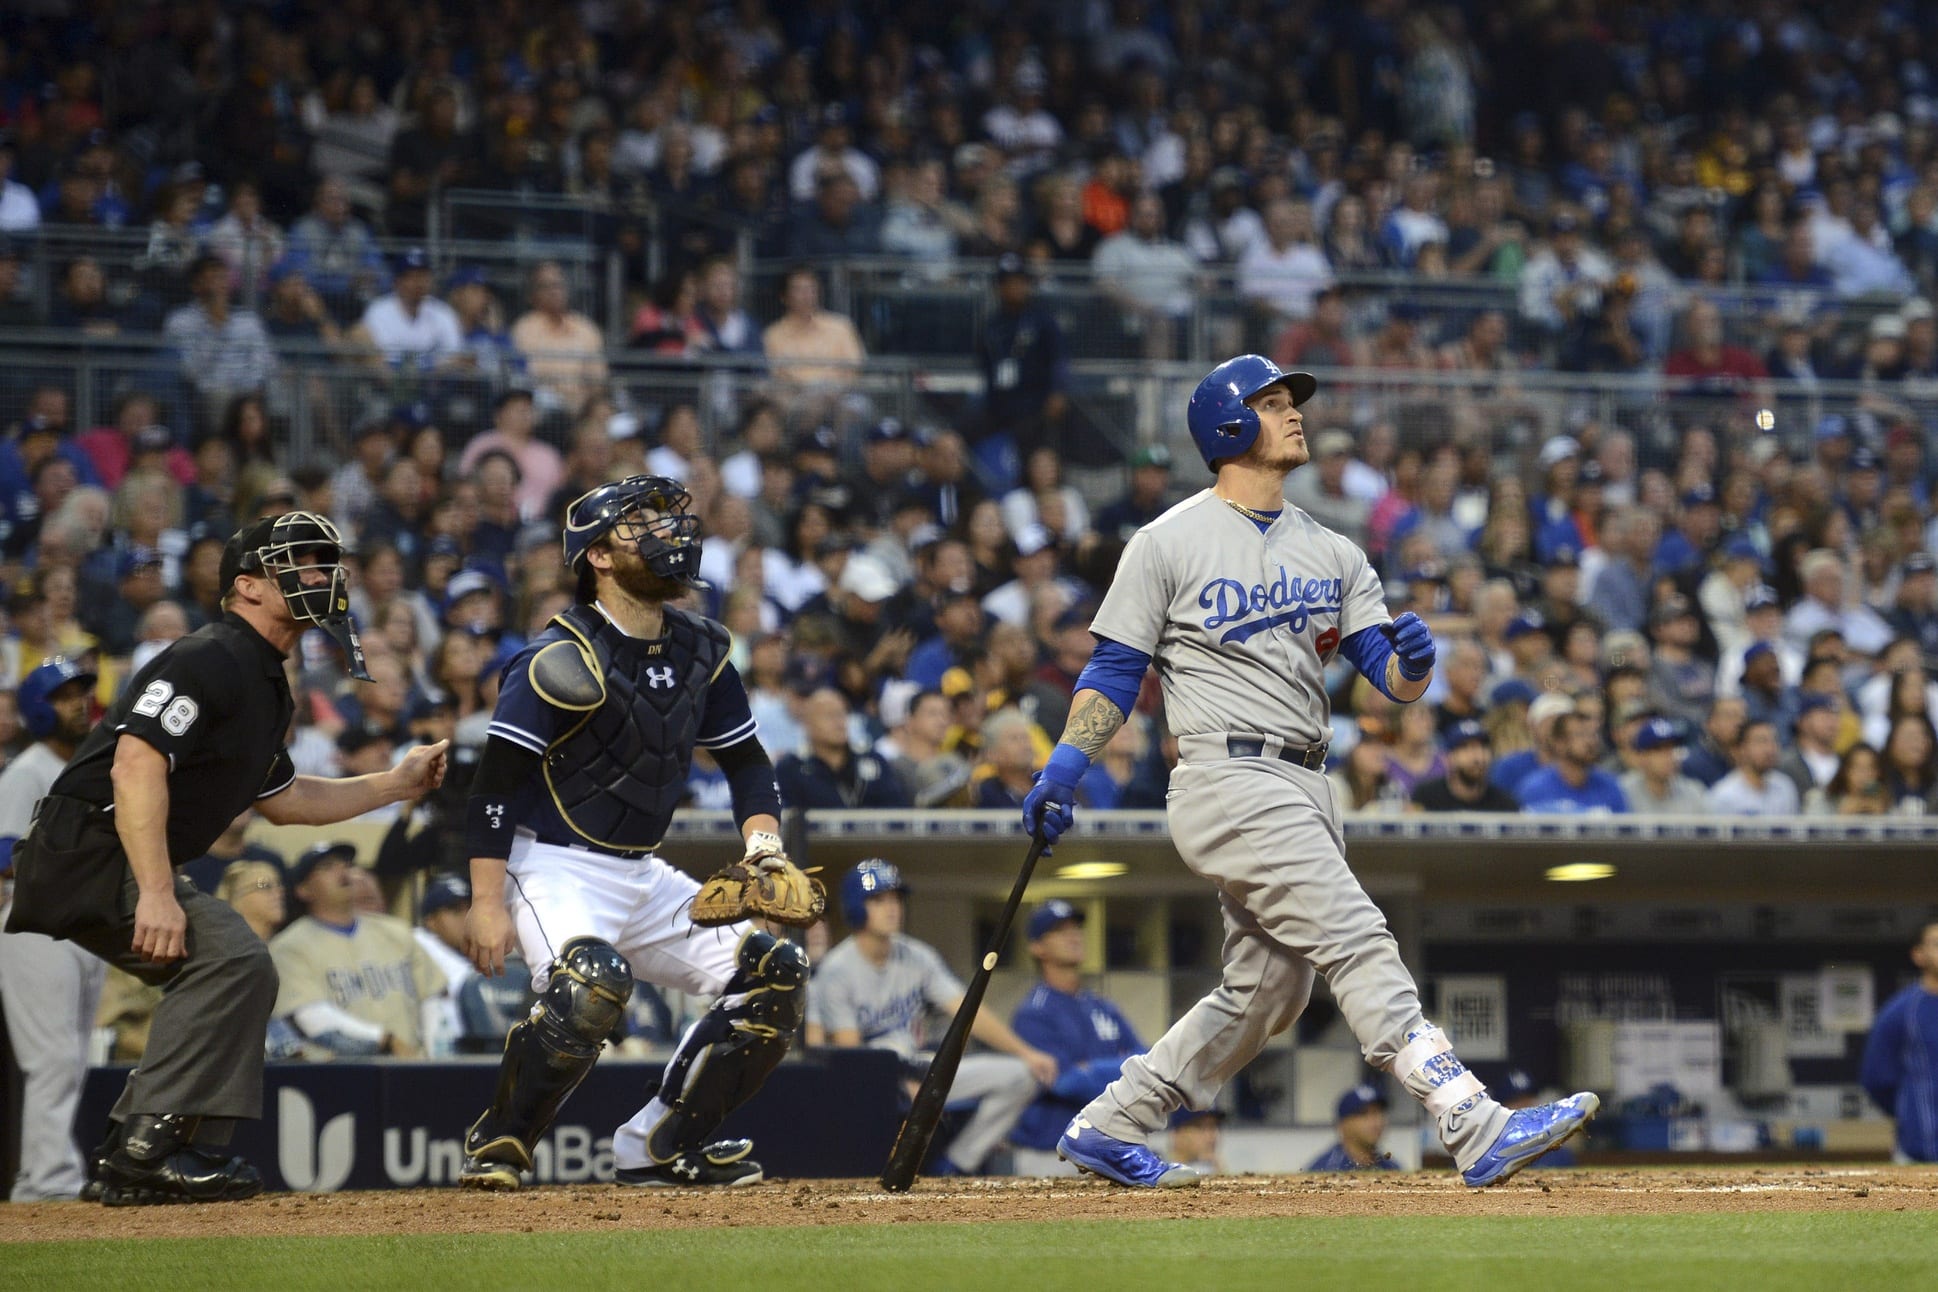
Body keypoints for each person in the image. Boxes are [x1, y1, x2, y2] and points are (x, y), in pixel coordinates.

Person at [1022, 355, 1596, 1190]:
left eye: (1292, 401)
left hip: (1306, 781)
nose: (1294, 414)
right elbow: (1114, 671)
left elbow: (1387, 682)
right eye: (1273, 401)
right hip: (1226, 773)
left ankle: (1111, 1123)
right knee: (1354, 931)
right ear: (1226, 424)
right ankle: (1469, 1116)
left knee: (1269, 991)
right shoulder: (1167, 540)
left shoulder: (1331, 548)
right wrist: (1065, 767)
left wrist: (1415, 666)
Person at [3, 512, 446, 1206]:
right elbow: (135, 762)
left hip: (111, 850)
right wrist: (156, 890)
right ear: (247, 587)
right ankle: (145, 1148)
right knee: (233, 958)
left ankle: (165, 1147)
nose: (320, 577)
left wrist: (393, 783)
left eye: (324, 563)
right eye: (297, 564)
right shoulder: (209, 655)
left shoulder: (265, 678)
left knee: (236, 969)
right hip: (86, 847)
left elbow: (286, 798)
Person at [457, 475, 813, 1189]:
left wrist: (764, 848)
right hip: (551, 862)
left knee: (776, 972)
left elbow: (746, 759)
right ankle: (499, 1143)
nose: (665, 534)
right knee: (588, 987)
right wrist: (486, 901)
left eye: (665, 520)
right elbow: (494, 787)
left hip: (642, 870)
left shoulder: (705, 645)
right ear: (597, 556)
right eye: (638, 525)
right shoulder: (557, 656)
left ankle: (657, 1146)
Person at [807, 861, 1055, 1176]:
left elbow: (967, 1010)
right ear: (857, 907)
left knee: (1022, 1074)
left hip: (923, 1070)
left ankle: (954, 1165)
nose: (892, 908)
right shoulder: (837, 970)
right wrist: (899, 1082)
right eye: (879, 900)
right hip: (875, 1084)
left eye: (896, 899)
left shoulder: (917, 956)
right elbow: (854, 1056)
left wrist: (1026, 1053)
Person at [0, 658, 107, 1200]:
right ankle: (46, 1184)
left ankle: (48, 1176)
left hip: (82, 923)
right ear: (39, 710)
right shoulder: (28, 769)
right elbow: (1, 849)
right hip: (33, 922)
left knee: (74, 1057)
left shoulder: (88, 767)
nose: (78, 703)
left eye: (82, 692)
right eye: (64, 696)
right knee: (54, 1059)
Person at [269, 841, 445, 1056]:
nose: (342, 871)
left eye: (346, 864)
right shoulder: (287, 947)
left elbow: (434, 997)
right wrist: (385, 1040)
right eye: (327, 867)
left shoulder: (396, 931)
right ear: (303, 890)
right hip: (337, 1075)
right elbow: (312, 1019)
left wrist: (435, 1053)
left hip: (411, 1069)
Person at [1008, 900, 1144, 1167]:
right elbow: (1066, 1082)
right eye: (1059, 930)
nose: (1073, 935)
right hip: (1051, 1152)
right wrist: (1124, 1068)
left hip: (1109, 1146)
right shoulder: (1033, 1012)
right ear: (1037, 947)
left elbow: (1145, 1063)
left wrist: (1091, 1069)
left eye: (1075, 928)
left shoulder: (1103, 1006)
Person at [1860, 919, 1938, 1163]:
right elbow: (1876, 1079)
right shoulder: (1901, 1011)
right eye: (1937, 944)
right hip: (1919, 1151)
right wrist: (1910, 1115)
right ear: (1918, 955)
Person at [1517, 711, 1630, 815]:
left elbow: (1625, 833)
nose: (1590, 742)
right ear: (1559, 743)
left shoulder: (1610, 785)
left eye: (1593, 735)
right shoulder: (1536, 788)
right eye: (1580, 735)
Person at [1411, 719, 1519, 812]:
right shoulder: (1426, 797)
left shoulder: (1505, 805)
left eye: (1483, 747)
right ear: (1449, 757)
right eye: (1466, 748)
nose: (1478, 757)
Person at [1706, 719, 1801, 816]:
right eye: (1761, 741)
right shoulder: (1724, 795)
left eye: (1774, 741)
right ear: (1742, 749)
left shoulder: (1785, 787)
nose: (1770, 749)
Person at [1618, 717, 1710, 815]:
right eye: (1659, 749)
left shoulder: (1694, 792)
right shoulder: (1622, 791)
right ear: (1641, 756)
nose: (1668, 756)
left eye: (1672, 747)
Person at [1305, 1084, 1400, 1172]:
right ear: (1342, 1124)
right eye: (1363, 1114)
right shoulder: (1323, 1170)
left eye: (1378, 1113)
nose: (1376, 1122)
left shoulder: (1392, 1168)